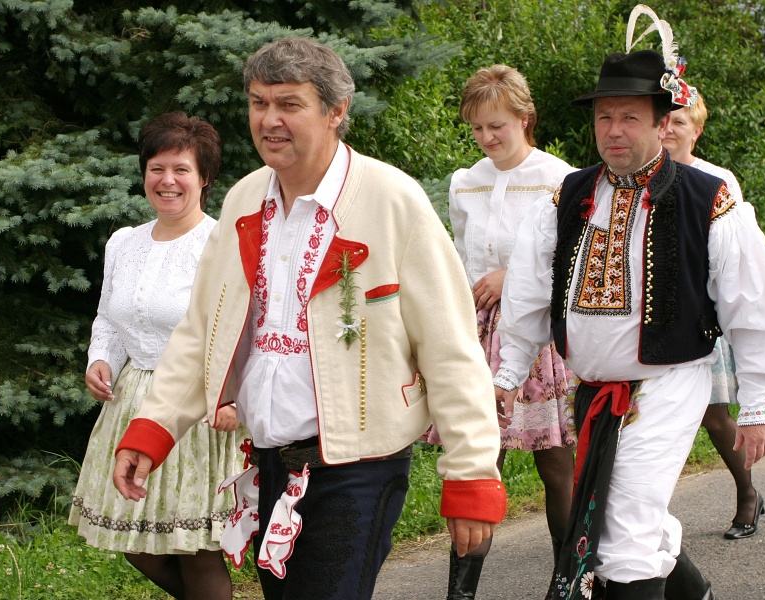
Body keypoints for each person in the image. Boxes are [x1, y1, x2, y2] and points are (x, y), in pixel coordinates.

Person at [111, 37, 507, 600]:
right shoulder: (244, 199)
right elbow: (202, 330)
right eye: (258, 102)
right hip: (269, 462)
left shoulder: (392, 199)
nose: (269, 120)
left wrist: (471, 472)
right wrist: (154, 428)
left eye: (289, 104)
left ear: (336, 110)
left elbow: (451, 346)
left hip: (359, 467)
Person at [493, 10, 765, 598]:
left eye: (630, 117)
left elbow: (757, 301)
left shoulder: (707, 198)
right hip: (593, 390)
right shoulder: (567, 196)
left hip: (669, 384)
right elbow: (528, 288)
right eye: (604, 117)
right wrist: (510, 369)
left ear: (662, 123)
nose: (614, 131)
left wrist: (757, 400)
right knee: (633, 514)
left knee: (624, 532)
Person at [69, 111, 247, 600]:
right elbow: (109, 317)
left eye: (181, 169)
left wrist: (233, 397)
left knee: (196, 551)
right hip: (131, 405)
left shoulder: (221, 244)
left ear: (204, 177)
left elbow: (241, 328)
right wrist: (101, 359)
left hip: (197, 409)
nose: (167, 181)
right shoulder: (123, 243)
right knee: (137, 544)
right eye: (157, 168)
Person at [422, 64, 577, 599]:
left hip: (537, 331)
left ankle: (568, 581)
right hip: (477, 333)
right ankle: (461, 592)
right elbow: (460, 255)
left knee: (556, 464)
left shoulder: (560, 178)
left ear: (524, 119)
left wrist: (512, 277)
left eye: (497, 126)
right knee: (479, 459)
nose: (487, 138)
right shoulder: (465, 182)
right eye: (477, 128)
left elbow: (573, 260)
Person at [662, 92, 765, 540]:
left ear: (696, 130)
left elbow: (736, 256)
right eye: (664, 120)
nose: (669, 129)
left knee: (713, 414)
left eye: (680, 122)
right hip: (657, 315)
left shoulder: (717, 180)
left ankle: (748, 493)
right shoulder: (639, 175)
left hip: (706, 312)